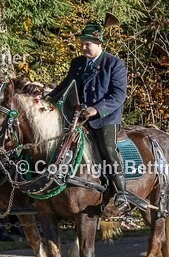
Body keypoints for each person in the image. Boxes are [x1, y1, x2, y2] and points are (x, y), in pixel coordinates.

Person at [45, 20, 144, 213]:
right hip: (77, 117)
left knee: (107, 147)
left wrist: (96, 109)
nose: (83, 46)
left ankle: (121, 192)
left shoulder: (114, 64)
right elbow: (66, 86)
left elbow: (118, 95)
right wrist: (46, 99)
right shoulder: (77, 63)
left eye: (87, 43)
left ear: (99, 44)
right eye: (82, 42)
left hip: (104, 119)